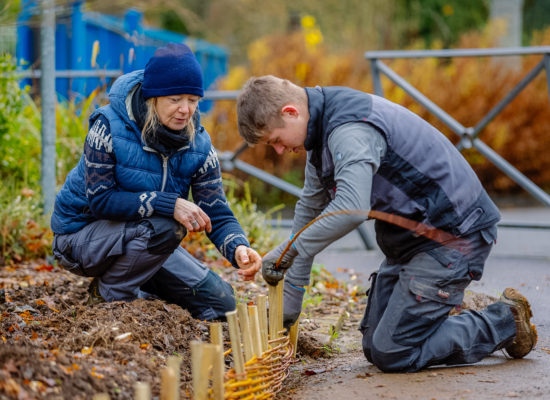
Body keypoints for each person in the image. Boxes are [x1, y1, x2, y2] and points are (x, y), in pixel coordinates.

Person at [236, 75, 537, 372]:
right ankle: (446, 315)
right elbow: (309, 210)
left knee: (393, 352)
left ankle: (505, 320)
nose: (278, 150)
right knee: (373, 346)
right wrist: (291, 299)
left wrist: (289, 249)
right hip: (414, 241)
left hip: (454, 236)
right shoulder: (320, 134)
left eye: (275, 140)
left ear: (291, 112)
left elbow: (352, 209)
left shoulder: (348, 130)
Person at [51, 43, 262, 321]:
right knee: (167, 224)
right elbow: (101, 200)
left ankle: (136, 282)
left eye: (193, 99)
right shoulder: (108, 127)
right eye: (175, 99)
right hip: (80, 238)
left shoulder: (199, 145)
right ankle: (109, 296)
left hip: (145, 240)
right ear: (153, 97)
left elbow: (215, 210)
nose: (185, 110)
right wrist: (169, 203)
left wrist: (238, 247)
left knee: (222, 303)